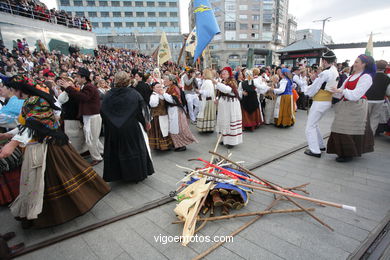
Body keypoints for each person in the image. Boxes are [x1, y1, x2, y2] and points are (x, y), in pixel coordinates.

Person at [0, 75, 110, 228]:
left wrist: (12, 144)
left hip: (47, 147)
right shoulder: (34, 100)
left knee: (48, 179)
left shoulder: (35, 101)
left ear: (19, 89)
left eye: (11, 88)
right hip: (47, 144)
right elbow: (30, 124)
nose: (9, 91)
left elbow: (34, 125)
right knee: (57, 177)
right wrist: (8, 135)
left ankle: (58, 211)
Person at [101, 71, 154, 182]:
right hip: (130, 127)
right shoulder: (134, 94)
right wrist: (146, 123)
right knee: (133, 150)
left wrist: (110, 124)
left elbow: (102, 112)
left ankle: (118, 175)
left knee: (115, 151)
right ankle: (135, 175)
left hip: (113, 129)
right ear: (127, 81)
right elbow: (142, 111)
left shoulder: (108, 95)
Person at [327, 54, 376, 162]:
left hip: (357, 106)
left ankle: (348, 153)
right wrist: (333, 91)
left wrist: (340, 91)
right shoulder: (351, 76)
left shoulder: (366, 77)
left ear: (364, 64)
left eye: (357, 62)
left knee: (349, 129)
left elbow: (356, 94)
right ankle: (343, 152)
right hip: (347, 104)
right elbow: (341, 90)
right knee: (339, 126)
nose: (354, 64)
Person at [59, 68, 104, 166]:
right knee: (92, 138)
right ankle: (101, 153)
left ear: (84, 78)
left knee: (91, 139)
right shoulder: (87, 86)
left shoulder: (89, 87)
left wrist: (68, 88)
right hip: (90, 117)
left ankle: (97, 157)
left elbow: (83, 97)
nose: (76, 78)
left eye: (78, 77)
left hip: (92, 117)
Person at [303, 50, 339, 158]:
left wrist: (306, 91)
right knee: (315, 124)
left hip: (320, 101)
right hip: (327, 101)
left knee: (310, 127)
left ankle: (315, 150)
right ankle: (320, 145)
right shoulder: (335, 71)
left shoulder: (325, 73)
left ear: (324, 61)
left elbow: (315, 87)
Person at [163, 74, 197, 151]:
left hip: (176, 110)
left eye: (166, 80)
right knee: (174, 127)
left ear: (171, 81)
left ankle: (181, 145)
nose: (164, 81)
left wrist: (163, 94)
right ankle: (177, 144)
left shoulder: (174, 88)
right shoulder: (169, 88)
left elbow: (173, 100)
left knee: (177, 127)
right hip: (172, 109)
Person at [215, 67, 242, 148]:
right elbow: (219, 93)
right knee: (224, 120)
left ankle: (231, 141)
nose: (223, 75)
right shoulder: (223, 81)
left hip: (231, 104)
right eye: (222, 73)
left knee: (230, 120)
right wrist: (216, 99)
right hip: (224, 104)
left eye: (225, 73)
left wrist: (216, 83)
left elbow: (227, 90)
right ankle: (223, 139)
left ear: (229, 74)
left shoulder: (232, 81)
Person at [365, 60, 390, 134]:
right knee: (375, 118)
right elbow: (388, 92)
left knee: (365, 118)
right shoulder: (387, 78)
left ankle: (363, 134)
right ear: (385, 68)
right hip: (379, 100)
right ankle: (370, 135)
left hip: (367, 99)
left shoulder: (369, 75)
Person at [148, 82, 173, 150]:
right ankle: (159, 146)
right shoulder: (153, 95)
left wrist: (163, 94)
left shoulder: (163, 94)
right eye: (157, 87)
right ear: (154, 89)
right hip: (157, 116)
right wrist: (157, 95)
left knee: (165, 130)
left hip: (164, 115)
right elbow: (153, 104)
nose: (160, 88)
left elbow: (171, 100)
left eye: (160, 87)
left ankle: (167, 145)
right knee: (159, 131)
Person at [196, 69, 216, 133]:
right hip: (208, 100)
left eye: (203, 73)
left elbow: (208, 93)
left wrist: (199, 91)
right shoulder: (208, 81)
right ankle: (208, 128)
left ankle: (206, 128)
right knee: (207, 114)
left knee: (206, 115)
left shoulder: (207, 82)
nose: (202, 75)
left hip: (207, 101)